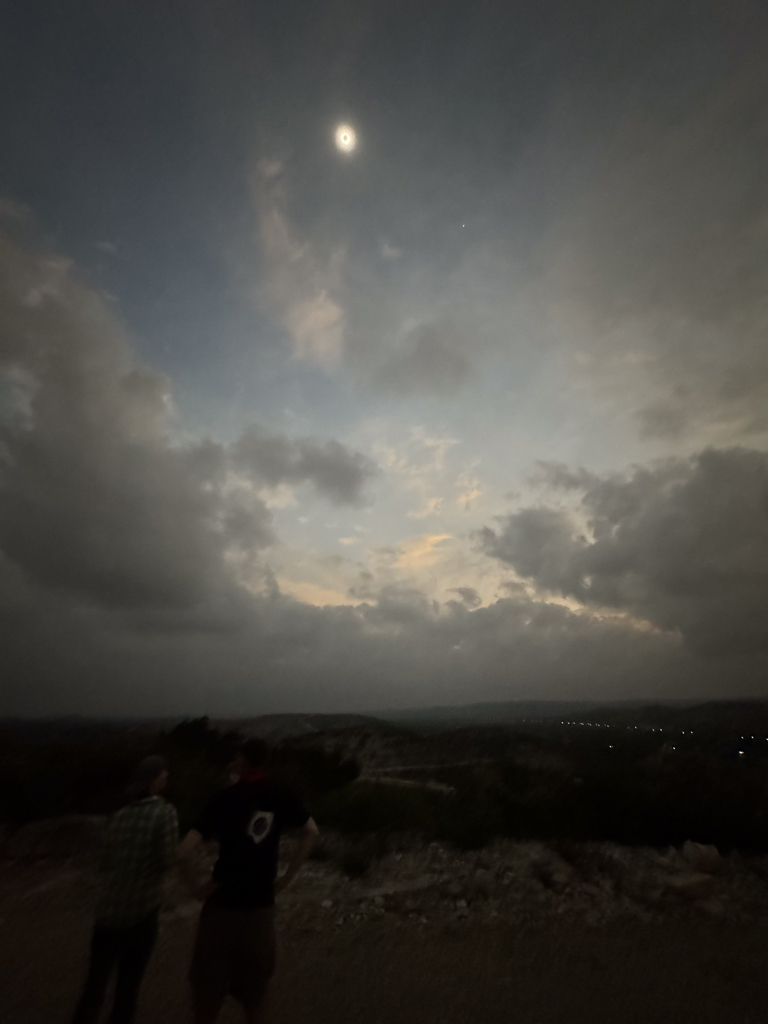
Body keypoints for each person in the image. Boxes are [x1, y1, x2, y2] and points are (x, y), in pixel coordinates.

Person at [178, 737, 319, 1024]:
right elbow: (312, 832)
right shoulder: (280, 794)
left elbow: (182, 853)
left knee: (207, 998)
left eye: (236, 757)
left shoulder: (224, 799)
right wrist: (286, 878)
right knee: (256, 998)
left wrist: (197, 889)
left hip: (221, 910)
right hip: (260, 909)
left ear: (243, 761)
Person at [71, 754, 178, 1024]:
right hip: (140, 911)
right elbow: (166, 860)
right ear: (153, 781)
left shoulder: (118, 816)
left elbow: (106, 862)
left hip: (108, 910)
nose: (167, 779)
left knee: (95, 983)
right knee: (127, 986)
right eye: (164, 775)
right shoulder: (164, 813)